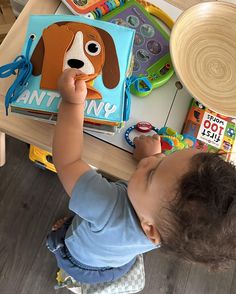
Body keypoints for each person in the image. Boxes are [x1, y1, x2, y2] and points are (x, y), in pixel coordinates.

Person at [46, 68, 236, 284]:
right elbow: (161, 191)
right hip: (118, 263)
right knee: (94, 220)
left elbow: (68, 161)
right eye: (165, 157)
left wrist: (72, 104)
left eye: (153, 171)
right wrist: (153, 161)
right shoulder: (169, 230)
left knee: (67, 233)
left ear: (151, 229)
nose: (152, 159)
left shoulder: (105, 205)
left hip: (80, 258)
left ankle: (67, 230)